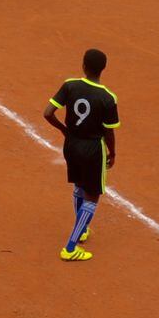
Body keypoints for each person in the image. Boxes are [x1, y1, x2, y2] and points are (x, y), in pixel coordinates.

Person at [43, 48, 120, 262]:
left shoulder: (70, 85)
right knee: (92, 194)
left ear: (83, 66)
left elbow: (48, 113)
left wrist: (63, 129)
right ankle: (70, 247)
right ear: (103, 69)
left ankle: (82, 228)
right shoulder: (107, 98)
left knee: (79, 185)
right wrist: (112, 152)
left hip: (71, 144)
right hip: (93, 148)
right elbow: (108, 130)